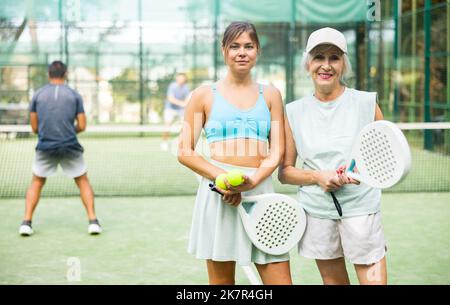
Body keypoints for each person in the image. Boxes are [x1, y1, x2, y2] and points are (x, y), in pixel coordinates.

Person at [178, 22, 291, 284]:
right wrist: (225, 180)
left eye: (248, 46)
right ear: (224, 50)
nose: (242, 52)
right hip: (219, 196)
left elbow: (277, 151)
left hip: (262, 195)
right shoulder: (203, 95)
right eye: (235, 46)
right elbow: (184, 150)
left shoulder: (272, 94)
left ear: (258, 51)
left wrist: (252, 181)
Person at [278, 27, 387, 285]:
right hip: (316, 212)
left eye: (334, 57)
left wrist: (360, 171)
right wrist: (318, 176)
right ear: (308, 64)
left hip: (361, 210)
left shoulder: (365, 104)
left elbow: (386, 157)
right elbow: (285, 172)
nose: (326, 65)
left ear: (343, 64)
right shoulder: (293, 112)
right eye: (319, 57)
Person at [19, 60, 101, 236]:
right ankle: (93, 221)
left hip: (45, 146)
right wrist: (69, 131)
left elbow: (34, 127)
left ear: (49, 74)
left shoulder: (38, 95)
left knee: (37, 182)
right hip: (70, 146)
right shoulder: (74, 95)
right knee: (83, 181)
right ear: (65, 75)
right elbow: (82, 125)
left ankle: (26, 222)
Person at [160, 72, 190, 151]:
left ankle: (181, 143)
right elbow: (170, 98)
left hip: (181, 110)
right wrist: (181, 103)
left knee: (185, 125)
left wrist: (185, 104)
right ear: (177, 79)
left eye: (182, 78)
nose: (181, 80)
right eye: (179, 78)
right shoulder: (172, 86)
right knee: (167, 125)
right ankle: (164, 142)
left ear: (185, 79)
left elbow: (187, 99)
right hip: (170, 108)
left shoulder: (186, 87)